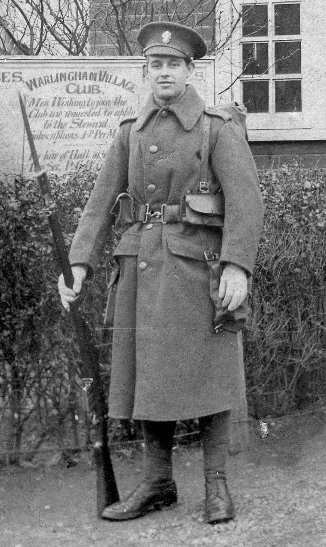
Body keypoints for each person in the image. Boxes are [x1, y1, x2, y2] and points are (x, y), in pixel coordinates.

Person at [58, 21, 264, 524]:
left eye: (174, 64)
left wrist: (237, 265)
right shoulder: (130, 133)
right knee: (148, 376)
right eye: (156, 64)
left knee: (210, 373)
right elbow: (98, 204)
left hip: (200, 267)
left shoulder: (217, 127)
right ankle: (157, 481)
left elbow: (246, 201)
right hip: (142, 267)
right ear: (146, 71)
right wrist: (78, 263)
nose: (165, 72)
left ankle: (216, 483)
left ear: (190, 71)